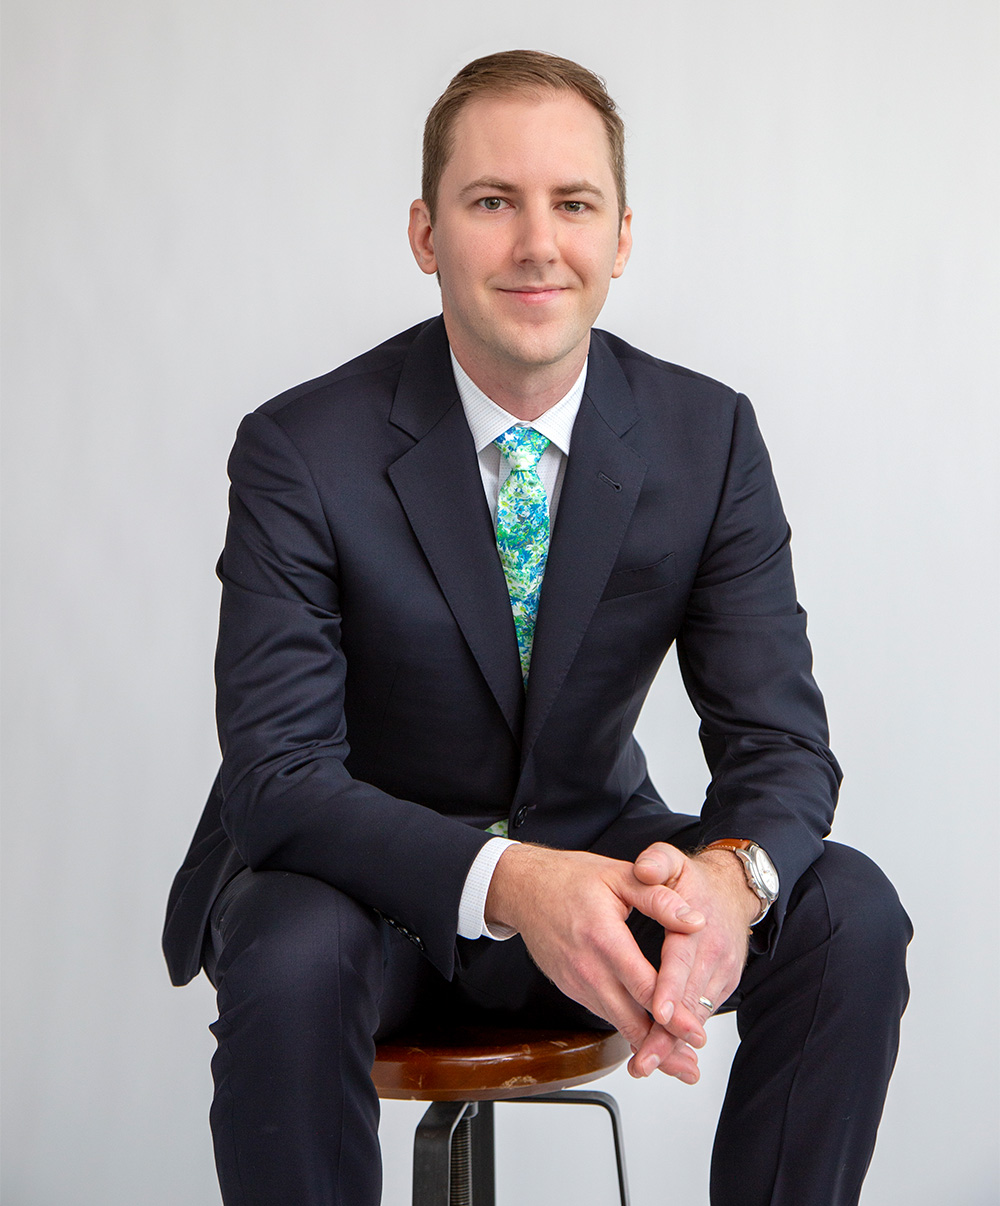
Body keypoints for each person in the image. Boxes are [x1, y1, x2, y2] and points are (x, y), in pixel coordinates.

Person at [163, 49, 911, 1206]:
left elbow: (780, 744)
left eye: (572, 204)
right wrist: (513, 882)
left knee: (847, 909)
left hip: (596, 855)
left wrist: (730, 881)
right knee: (292, 947)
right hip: (358, 889)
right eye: (490, 202)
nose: (536, 245)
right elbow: (278, 779)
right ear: (425, 233)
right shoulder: (299, 450)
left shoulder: (707, 438)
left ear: (621, 236)